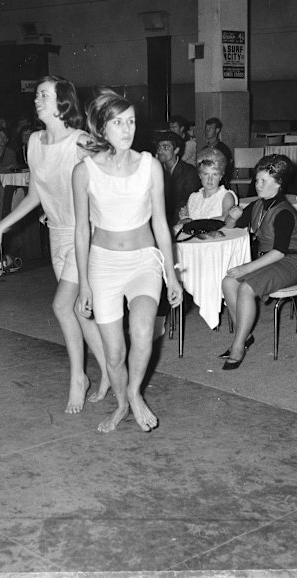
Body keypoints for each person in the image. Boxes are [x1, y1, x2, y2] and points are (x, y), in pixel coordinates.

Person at [0, 75, 110, 413]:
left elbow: (111, 176)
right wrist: (2, 224)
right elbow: (35, 193)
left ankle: (78, 379)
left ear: (62, 103)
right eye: (37, 94)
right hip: (56, 232)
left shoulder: (81, 141)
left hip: (85, 234)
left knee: (61, 306)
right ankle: (112, 372)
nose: (36, 99)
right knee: (81, 313)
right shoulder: (35, 143)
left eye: (43, 94)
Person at [73, 89, 183, 433]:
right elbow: (81, 232)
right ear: (102, 128)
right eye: (118, 122)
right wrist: (84, 285)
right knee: (114, 354)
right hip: (103, 265)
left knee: (143, 329)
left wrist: (172, 275)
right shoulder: (84, 171)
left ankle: (135, 394)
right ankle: (121, 404)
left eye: (131, 121)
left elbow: (161, 225)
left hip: (143, 263)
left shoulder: (150, 166)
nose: (126, 129)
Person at [220, 154, 297, 370]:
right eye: (257, 180)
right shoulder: (258, 205)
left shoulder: (285, 212)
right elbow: (229, 226)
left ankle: (238, 345)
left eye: (264, 182)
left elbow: (279, 252)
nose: (257, 185)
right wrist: (232, 216)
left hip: (291, 260)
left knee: (247, 288)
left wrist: (246, 267)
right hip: (270, 260)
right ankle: (246, 333)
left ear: (278, 184)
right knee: (228, 282)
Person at [176, 147, 239, 228]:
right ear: (200, 175)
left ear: (221, 176)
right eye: (206, 174)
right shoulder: (193, 197)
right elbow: (186, 220)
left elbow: (226, 220)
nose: (210, 179)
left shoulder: (226, 196)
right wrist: (184, 218)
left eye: (215, 174)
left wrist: (194, 223)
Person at [153, 130, 200, 227]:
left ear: (176, 150)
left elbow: (190, 203)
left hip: (182, 221)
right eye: (159, 147)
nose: (160, 151)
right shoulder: (155, 170)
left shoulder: (189, 172)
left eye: (166, 147)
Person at [203, 117, 234, 187]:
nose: (207, 131)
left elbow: (226, 171)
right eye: (206, 128)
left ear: (217, 130)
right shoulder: (204, 150)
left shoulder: (223, 149)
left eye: (210, 128)